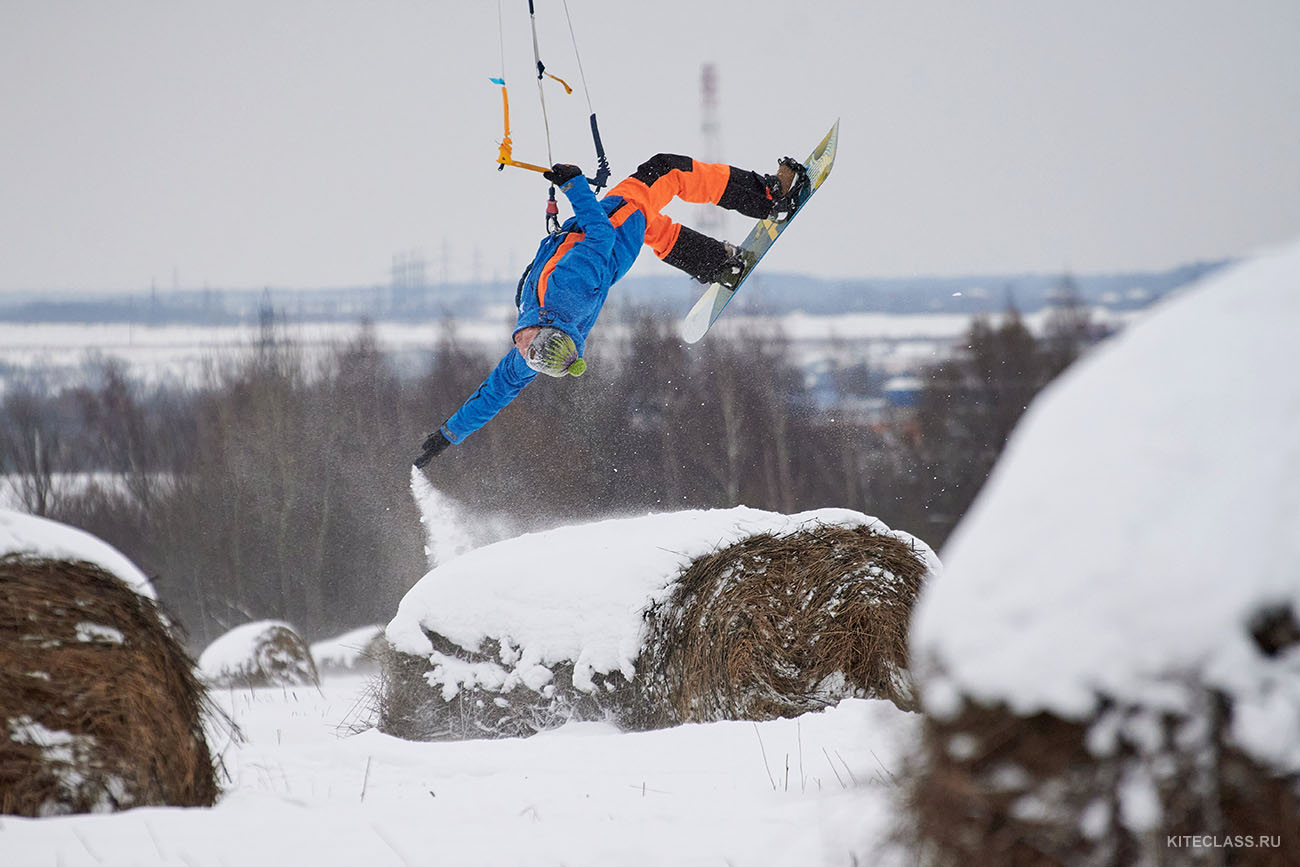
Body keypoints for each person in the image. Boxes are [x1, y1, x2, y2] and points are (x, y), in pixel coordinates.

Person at [413, 153, 807, 468]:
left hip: (614, 248)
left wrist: (447, 435)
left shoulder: (531, 351)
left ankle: (717, 263)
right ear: (548, 333)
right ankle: (771, 196)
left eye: (529, 356)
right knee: (667, 170)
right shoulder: (567, 293)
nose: (523, 353)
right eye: (532, 352)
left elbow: (496, 393)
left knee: (652, 223)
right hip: (614, 227)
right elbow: (599, 232)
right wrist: (575, 186)